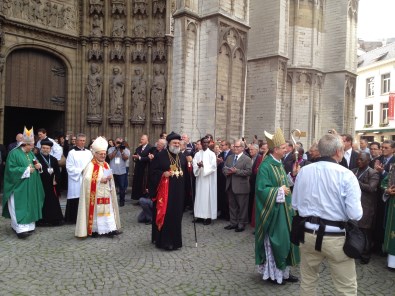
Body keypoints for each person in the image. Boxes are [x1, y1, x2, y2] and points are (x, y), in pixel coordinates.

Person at [292, 134, 363, 295]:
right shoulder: (346, 175)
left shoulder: (303, 172)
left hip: (308, 233)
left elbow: (295, 204)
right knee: (346, 287)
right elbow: (355, 214)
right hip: (335, 237)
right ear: (339, 151)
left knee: (308, 282)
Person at [255, 128, 299, 285]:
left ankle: (284, 272)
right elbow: (261, 190)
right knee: (276, 241)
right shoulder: (266, 166)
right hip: (273, 212)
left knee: (286, 241)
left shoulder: (279, 164)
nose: (286, 149)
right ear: (275, 150)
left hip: (285, 211)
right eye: (283, 147)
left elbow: (283, 184)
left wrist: (292, 176)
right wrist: (278, 191)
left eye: (286, 147)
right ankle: (274, 274)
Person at [2, 127, 45, 238]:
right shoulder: (14, 153)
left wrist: (38, 166)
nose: (33, 147)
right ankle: (20, 229)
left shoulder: (30, 153)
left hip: (30, 185)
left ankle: (29, 226)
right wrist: (26, 170)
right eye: (31, 145)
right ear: (25, 144)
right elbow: (10, 170)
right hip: (18, 187)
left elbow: (36, 163)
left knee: (30, 205)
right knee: (19, 206)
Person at [75, 137, 121, 238]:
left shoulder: (106, 165)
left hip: (107, 194)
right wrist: (100, 180)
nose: (103, 156)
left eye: (104, 154)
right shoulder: (91, 165)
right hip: (95, 195)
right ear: (95, 154)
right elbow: (87, 180)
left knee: (108, 212)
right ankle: (95, 230)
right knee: (97, 213)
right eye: (101, 154)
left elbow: (111, 179)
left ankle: (109, 229)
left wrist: (110, 179)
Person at [150, 132, 188, 251]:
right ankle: (164, 241)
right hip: (165, 193)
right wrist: (163, 174)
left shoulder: (181, 156)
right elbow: (152, 172)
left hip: (179, 193)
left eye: (178, 143)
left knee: (177, 216)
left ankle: (175, 241)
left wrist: (191, 165)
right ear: (169, 144)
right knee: (166, 215)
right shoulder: (161, 156)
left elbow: (186, 173)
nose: (176, 144)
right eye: (174, 143)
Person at [352, 151, 379, 264]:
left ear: (368, 161)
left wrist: (355, 181)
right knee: (354, 230)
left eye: (362, 159)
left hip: (366, 206)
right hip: (354, 204)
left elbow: (371, 188)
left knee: (365, 231)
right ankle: (355, 251)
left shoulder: (373, 173)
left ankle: (365, 255)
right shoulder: (354, 171)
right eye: (358, 159)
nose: (359, 161)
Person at [223, 139, 252, 232]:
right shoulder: (230, 157)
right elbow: (224, 168)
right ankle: (233, 223)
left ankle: (241, 224)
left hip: (241, 186)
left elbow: (249, 172)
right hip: (230, 185)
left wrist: (236, 171)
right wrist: (227, 172)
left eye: (237, 146)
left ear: (242, 148)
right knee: (232, 206)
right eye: (234, 146)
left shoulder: (247, 159)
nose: (235, 148)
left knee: (242, 206)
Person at [65, 133, 93, 224]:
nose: (82, 142)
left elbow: (92, 164)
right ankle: (73, 219)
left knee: (86, 197)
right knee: (76, 196)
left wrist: (88, 171)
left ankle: (85, 217)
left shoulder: (89, 153)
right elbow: (69, 167)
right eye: (80, 140)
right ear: (76, 141)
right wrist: (80, 171)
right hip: (76, 179)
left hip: (87, 178)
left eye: (84, 140)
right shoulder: (71, 153)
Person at [36, 139, 64, 226]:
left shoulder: (54, 159)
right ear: (41, 148)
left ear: (50, 149)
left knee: (52, 202)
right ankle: (42, 220)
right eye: (44, 148)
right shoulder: (36, 158)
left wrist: (56, 180)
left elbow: (57, 172)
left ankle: (54, 220)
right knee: (42, 202)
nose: (45, 150)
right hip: (41, 184)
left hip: (52, 185)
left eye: (47, 148)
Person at [193, 137, 217, 225]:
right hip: (200, 179)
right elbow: (194, 164)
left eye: (207, 142)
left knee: (207, 198)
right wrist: (198, 166)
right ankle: (199, 215)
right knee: (199, 196)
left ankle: (208, 217)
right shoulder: (197, 154)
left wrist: (204, 166)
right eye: (204, 142)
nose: (205, 144)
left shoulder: (212, 154)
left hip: (208, 179)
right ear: (201, 143)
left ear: (209, 143)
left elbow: (213, 166)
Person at [108, 138, 130, 207]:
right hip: (113, 171)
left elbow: (126, 158)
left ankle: (121, 201)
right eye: (117, 142)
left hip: (121, 171)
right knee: (111, 186)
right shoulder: (111, 149)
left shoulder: (126, 150)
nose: (119, 143)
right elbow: (110, 157)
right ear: (115, 142)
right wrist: (116, 149)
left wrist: (122, 151)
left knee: (122, 187)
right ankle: (111, 201)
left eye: (120, 142)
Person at [131, 134, 152, 202]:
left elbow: (149, 158)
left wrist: (139, 158)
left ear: (147, 140)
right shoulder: (139, 148)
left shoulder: (150, 148)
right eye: (141, 139)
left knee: (144, 184)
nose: (141, 140)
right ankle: (138, 199)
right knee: (137, 183)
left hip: (146, 169)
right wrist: (134, 157)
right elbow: (135, 155)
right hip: (138, 169)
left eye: (143, 139)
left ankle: (144, 200)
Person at [217, 140, 233, 220]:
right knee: (222, 196)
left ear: (227, 145)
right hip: (221, 178)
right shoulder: (221, 154)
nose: (221, 147)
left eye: (223, 145)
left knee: (228, 197)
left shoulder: (232, 154)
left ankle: (228, 214)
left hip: (228, 178)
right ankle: (222, 212)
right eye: (221, 145)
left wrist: (222, 162)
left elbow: (229, 166)